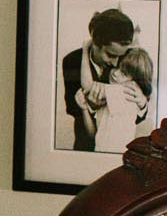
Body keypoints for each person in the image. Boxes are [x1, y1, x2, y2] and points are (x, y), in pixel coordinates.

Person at [62, 8, 146, 152]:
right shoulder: (72, 61)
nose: (115, 63)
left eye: (120, 56)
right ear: (96, 43)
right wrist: (90, 107)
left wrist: (143, 104)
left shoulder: (128, 61)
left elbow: (135, 116)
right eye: (110, 55)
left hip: (117, 147)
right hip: (86, 146)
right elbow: (71, 107)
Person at [95, 43, 154, 153]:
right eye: (116, 66)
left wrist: (143, 103)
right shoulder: (112, 82)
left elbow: (88, 85)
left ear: (133, 83)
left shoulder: (122, 93)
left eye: (124, 73)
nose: (116, 73)